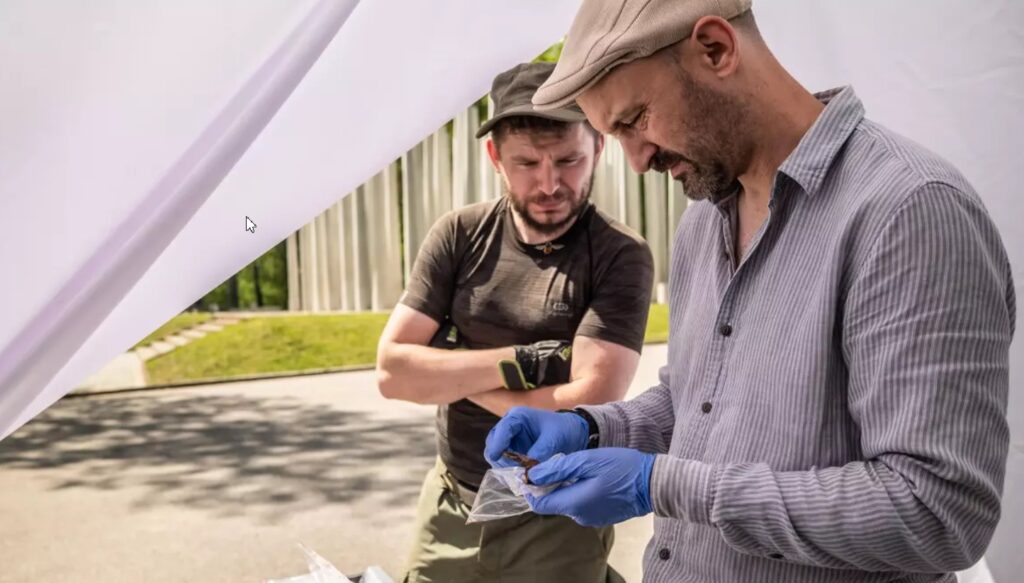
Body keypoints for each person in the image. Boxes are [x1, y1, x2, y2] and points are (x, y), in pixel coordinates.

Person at [484, 1, 1017, 582]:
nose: (637, 161)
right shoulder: (704, 224)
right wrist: (594, 428)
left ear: (715, 49)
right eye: (616, 134)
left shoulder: (908, 213)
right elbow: (700, 405)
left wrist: (659, 484)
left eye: (636, 117)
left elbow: (937, 513)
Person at [375, 61, 654, 582]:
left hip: (555, 510)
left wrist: (452, 371)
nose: (550, 184)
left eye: (568, 160)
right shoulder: (458, 235)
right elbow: (392, 373)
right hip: (452, 501)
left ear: (598, 146)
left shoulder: (620, 255)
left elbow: (586, 402)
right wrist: (521, 363)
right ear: (495, 158)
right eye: (527, 163)